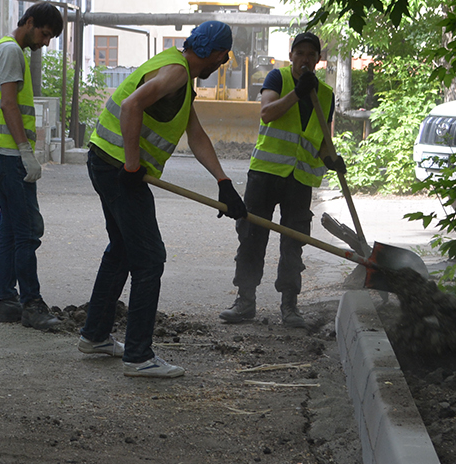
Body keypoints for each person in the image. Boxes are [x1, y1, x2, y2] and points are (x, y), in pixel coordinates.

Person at [77, 19, 248, 378]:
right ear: (217, 54)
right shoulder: (177, 73)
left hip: (106, 161)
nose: (221, 65)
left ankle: (95, 336)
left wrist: (223, 181)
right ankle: (139, 356)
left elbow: (195, 132)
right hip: (118, 168)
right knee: (150, 258)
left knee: (123, 249)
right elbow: (131, 107)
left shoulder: (176, 69)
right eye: (223, 58)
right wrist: (132, 164)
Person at [221, 31, 345, 328]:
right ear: (291, 56)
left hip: (300, 179)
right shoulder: (278, 78)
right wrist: (298, 93)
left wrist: (332, 158)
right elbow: (267, 113)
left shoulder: (325, 95)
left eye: (311, 55)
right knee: (251, 236)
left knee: (294, 242)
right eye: (299, 53)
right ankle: (245, 301)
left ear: (318, 60)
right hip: (266, 174)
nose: (305, 59)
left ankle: (290, 306)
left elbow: (321, 137)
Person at [0, 2, 65, 331]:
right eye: (45, 34)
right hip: (7, 154)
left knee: (10, 228)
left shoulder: (8, 50)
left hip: (0, 152)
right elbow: (8, 104)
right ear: (31, 22)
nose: (45, 43)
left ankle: (7, 301)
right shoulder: (10, 52)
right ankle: (31, 304)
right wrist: (25, 150)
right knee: (26, 230)